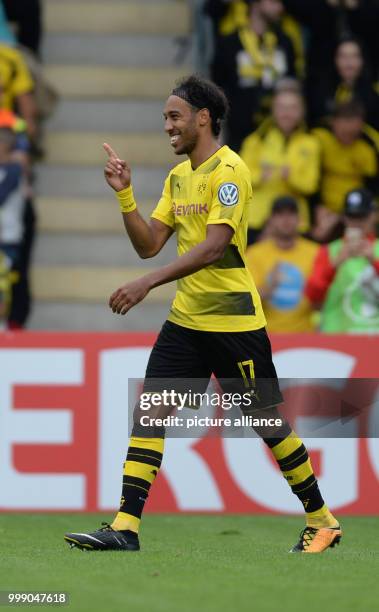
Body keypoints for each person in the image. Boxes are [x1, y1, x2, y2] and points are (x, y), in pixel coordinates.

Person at [64, 75, 341, 554]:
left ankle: (323, 520)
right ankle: (125, 526)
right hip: (187, 323)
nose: (168, 126)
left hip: (234, 324)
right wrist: (125, 195)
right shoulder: (178, 178)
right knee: (151, 412)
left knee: (268, 423)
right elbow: (150, 244)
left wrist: (147, 284)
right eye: (165, 119)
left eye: (174, 117)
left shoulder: (229, 172)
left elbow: (215, 248)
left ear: (203, 118)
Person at [240, 85, 320, 243]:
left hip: (297, 221)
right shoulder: (255, 141)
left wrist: (290, 177)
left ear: (301, 112)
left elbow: (311, 185)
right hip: (257, 220)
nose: (287, 113)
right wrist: (260, 176)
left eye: (292, 108)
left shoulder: (311, 143)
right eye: (281, 107)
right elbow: (239, 179)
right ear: (273, 110)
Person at [212, 0, 296, 150]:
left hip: (280, 138)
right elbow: (215, 93)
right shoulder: (228, 44)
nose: (280, 7)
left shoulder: (285, 42)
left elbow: (293, 87)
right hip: (239, 138)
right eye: (274, 1)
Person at [306, 188, 379, 333]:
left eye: (362, 216)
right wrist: (335, 264)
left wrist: (373, 261)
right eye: (352, 217)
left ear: (373, 216)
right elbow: (313, 297)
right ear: (344, 218)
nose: (356, 223)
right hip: (338, 336)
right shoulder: (329, 251)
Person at [246, 196, 318, 332]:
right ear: (270, 220)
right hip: (267, 337)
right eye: (280, 214)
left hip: (307, 336)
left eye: (291, 213)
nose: (286, 219)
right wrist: (270, 286)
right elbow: (244, 304)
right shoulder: (254, 254)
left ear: (300, 220)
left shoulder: (315, 253)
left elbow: (324, 302)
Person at [312, 100, 379, 242]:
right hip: (326, 209)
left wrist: (369, 214)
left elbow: (373, 186)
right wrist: (317, 206)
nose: (348, 137)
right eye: (343, 132)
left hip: (358, 211)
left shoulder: (368, 148)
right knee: (319, 233)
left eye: (353, 133)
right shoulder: (319, 139)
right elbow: (311, 177)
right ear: (334, 123)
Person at [308, 36, 379, 130]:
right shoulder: (320, 91)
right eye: (343, 56)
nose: (349, 63)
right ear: (335, 59)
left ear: (363, 61)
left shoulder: (374, 94)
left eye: (354, 56)